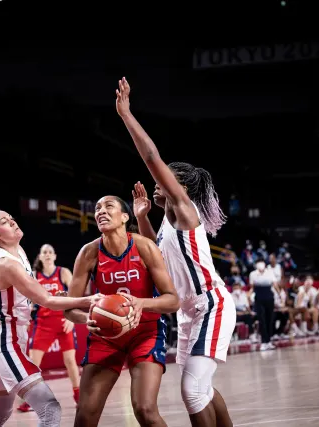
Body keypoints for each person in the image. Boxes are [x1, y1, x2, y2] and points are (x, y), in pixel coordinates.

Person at [116, 77, 236, 427]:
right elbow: (156, 254)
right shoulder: (169, 223)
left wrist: (126, 115)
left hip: (210, 305)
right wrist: (141, 219)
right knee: (204, 389)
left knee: (192, 391)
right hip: (188, 311)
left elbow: (152, 157)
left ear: (178, 186)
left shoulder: (186, 211)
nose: (156, 183)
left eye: (163, 180)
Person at [0, 210, 103, 427]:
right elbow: (45, 300)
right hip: (4, 345)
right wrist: (88, 300)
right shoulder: (5, 264)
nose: (13, 222)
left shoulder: (18, 251)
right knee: (49, 408)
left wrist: (57, 297)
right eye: (5, 222)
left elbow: (36, 293)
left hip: (8, 341)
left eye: (12, 218)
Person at [64, 195, 180, 427]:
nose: (101, 211)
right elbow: (69, 308)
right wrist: (87, 318)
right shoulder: (88, 253)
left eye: (108, 206)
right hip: (105, 338)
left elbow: (172, 300)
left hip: (145, 333)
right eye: (97, 208)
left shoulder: (144, 247)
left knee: (145, 410)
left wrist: (141, 303)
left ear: (125, 217)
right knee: (85, 415)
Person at [17, 244, 80, 412]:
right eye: (44, 252)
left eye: (50, 252)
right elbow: (28, 298)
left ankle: (78, 394)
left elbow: (76, 293)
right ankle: (33, 399)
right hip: (43, 324)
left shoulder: (63, 272)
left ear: (55, 256)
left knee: (70, 361)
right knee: (33, 363)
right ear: (40, 256)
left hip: (63, 321)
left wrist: (72, 318)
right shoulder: (35, 276)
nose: (47, 254)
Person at [249, 260, 277, 351]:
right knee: (262, 319)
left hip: (269, 296)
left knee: (269, 319)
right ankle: (263, 342)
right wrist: (249, 295)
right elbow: (252, 287)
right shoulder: (253, 274)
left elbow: (275, 284)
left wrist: (279, 293)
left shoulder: (270, 272)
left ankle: (269, 341)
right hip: (259, 297)